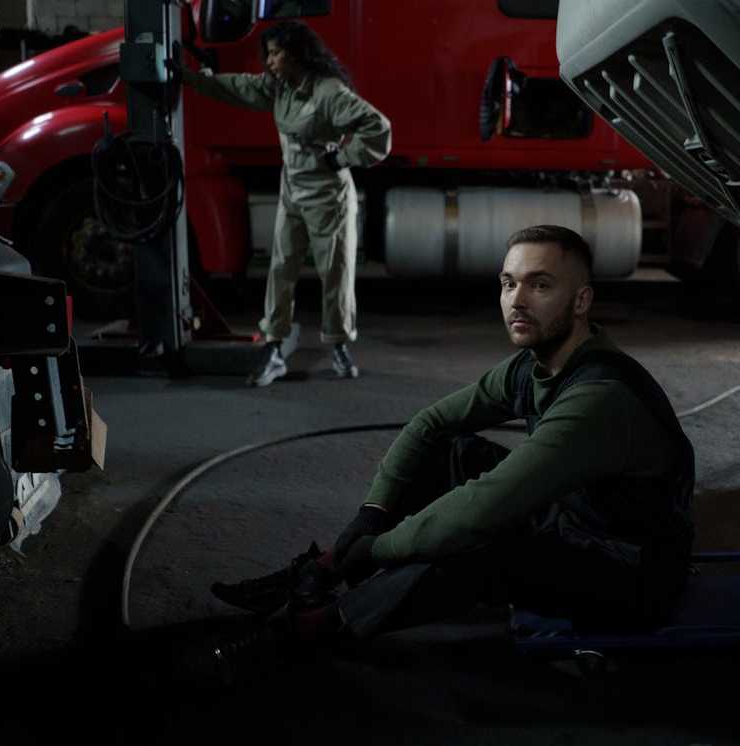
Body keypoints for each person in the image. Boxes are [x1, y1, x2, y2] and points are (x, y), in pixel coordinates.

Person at [206, 225, 695, 679]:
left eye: (540, 286)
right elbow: (431, 424)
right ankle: (322, 571)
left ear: (582, 300)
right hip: (573, 519)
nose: (517, 301)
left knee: (476, 538)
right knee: (450, 451)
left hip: (629, 571)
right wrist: (369, 519)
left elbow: (480, 511)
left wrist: (377, 549)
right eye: (508, 283)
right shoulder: (533, 366)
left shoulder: (600, 397)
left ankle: (315, 625)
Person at [175, 21, 391, 386]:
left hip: (328, 197)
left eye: (277, 53)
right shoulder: (280, 89)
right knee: (280, 270)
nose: (270, 61)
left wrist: (343, 158)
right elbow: (237, 87)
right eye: (269, 53)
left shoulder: (328, 93)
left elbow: (378, 128)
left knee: (334, 275)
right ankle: (273, 348)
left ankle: (338, 344)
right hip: (292, 192)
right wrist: (187, 76)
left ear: (298, 55)